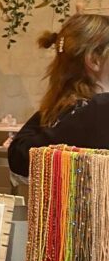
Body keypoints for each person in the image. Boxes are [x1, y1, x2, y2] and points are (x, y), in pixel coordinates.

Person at [8, 12, 109, 177]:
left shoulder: (67, 111)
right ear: (94, 60)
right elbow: (20, 155)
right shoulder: (99, 110)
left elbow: (18, 154)